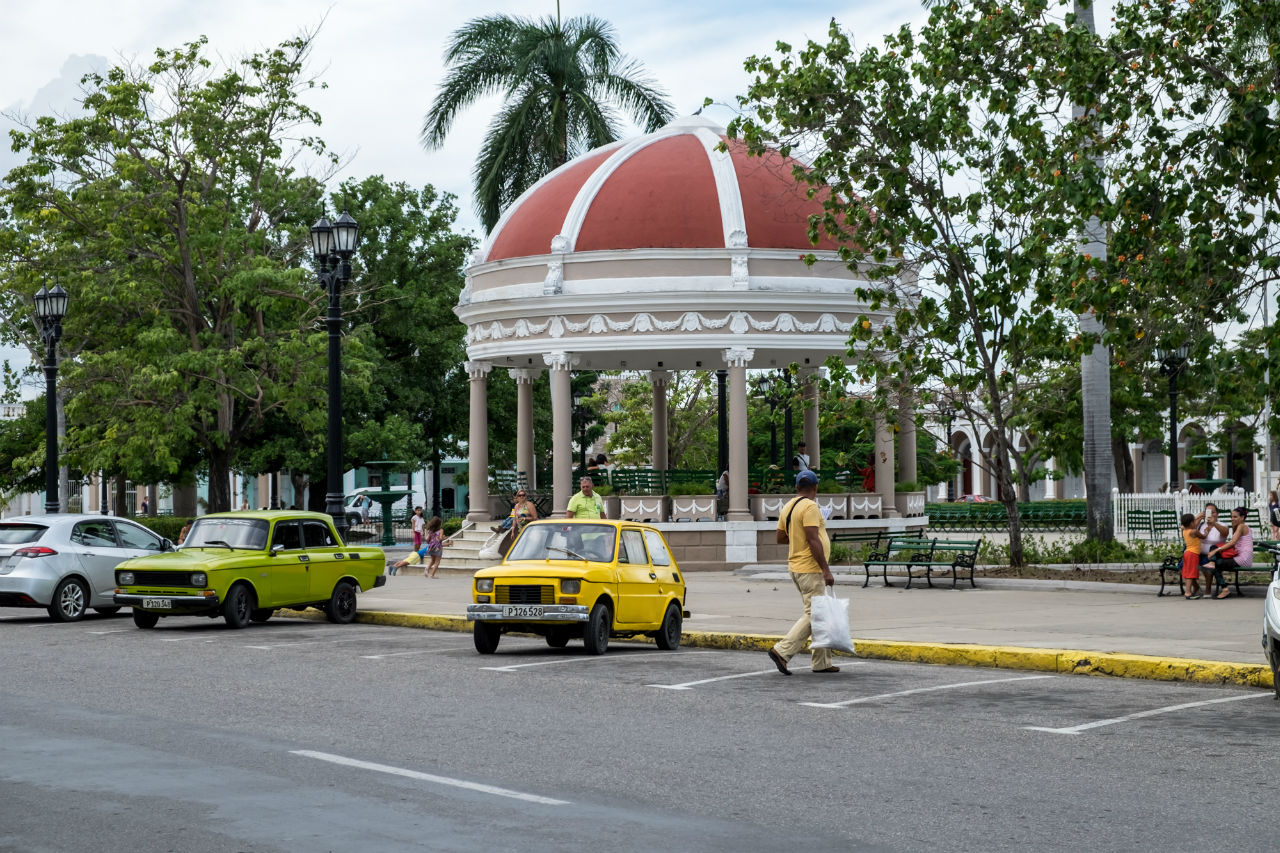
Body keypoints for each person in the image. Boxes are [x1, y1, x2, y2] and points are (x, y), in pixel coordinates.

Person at [767, 469, 839, 675]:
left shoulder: (788, 507)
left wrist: (797, 537)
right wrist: (826, 570)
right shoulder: (810, 507)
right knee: (815, 613)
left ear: (797, 487)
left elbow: (780, 538)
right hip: (811, 569)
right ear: (815, 488)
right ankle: (782, 651)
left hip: (796, 567)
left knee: (821, 613)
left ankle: (822, 662)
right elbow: (813, 539)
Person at [1202, 506, 1253, 599]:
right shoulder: (1239, 527)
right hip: (1240, 556)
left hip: (1243, 559)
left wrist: (1216, 550)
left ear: (1242, 518)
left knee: (1215, 564)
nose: (1232, 519)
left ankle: (1225, 589)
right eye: (1231, 517)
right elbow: (1235, 544)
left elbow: (1232, 542)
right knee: (1214, 548)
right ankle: (1212, 563)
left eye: (1235, 517)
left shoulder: (1242, 526)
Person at [1198, 503, 1228, 596]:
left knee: (1208, 563)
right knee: (1186, 563)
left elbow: (1225, 533)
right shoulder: (1201, 524)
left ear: (1217, 514)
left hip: (1215, 555)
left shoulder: (1222, 524)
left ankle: (1208, 589)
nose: (1211, 514)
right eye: (1208, 512)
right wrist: (1197, 518)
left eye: (1213, 512)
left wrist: (1214, 523)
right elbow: (1188, 530)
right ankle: (1195, 587)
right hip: (1200, 553)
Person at [1179, 513, 1205, 599]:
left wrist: (1199, 518)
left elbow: (1188, 525)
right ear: (1191, 523)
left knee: (1188, 573)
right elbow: (1203, 536)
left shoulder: (1184, 530)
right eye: (1194, 521)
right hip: (1193, 554)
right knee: (1190, 574)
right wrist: (1207, 531)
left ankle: (1194, 588)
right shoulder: (1194, 531)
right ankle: (1188, 592)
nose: (1195, 522)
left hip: (1187, 553)